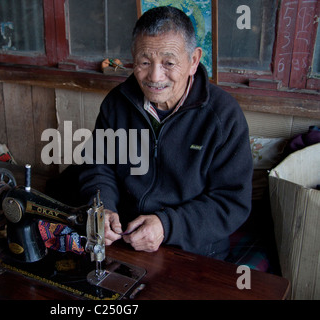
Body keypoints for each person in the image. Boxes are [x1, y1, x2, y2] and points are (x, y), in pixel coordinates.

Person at [78, 6, 253, 260]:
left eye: (169, 63)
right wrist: (103, 208)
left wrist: (167, 225)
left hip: (195, 250)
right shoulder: (117, 103)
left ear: (193, 61)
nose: (155, 76)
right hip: (127, 236)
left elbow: (231, 202)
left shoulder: (223, 116)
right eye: (144, 62)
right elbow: (98, 165)